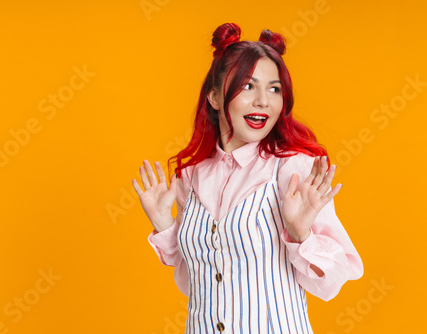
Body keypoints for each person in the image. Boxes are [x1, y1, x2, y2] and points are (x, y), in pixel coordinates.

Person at [132, 22, 363, 334]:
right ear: (214, 97)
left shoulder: (292, 168)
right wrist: (165, 226)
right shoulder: (191, 175)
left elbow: (331, 281)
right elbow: (193, 281)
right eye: (248, 87)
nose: (263, 101)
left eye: (274, 89)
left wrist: (301, 234)